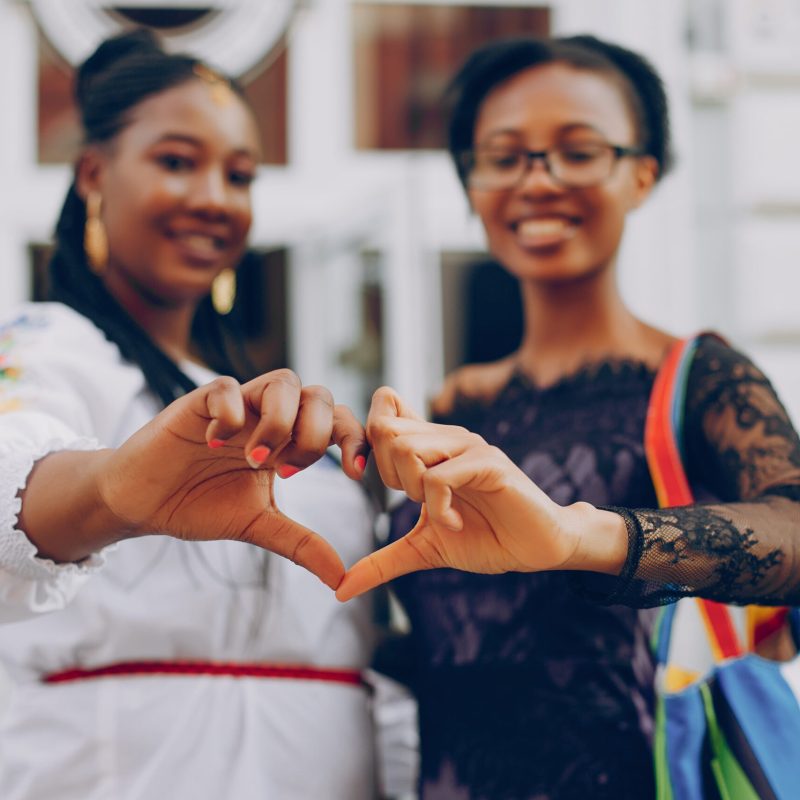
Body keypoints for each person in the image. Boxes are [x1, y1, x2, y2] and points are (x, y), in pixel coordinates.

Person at [336, 35, 800, 800]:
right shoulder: (454, 409)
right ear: (472, 186)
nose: (538, 180)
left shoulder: (696, 378)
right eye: (504, 155)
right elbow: (466, 652)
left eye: (577, 151)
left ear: (641, 175)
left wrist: (584, 537)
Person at [0, 29, 381, 799]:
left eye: (239, 175)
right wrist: (114, 492)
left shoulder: (251, 403)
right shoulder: (44, 350)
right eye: (177, 162)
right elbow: (16, 482)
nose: (214, 197)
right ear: (94, 175)